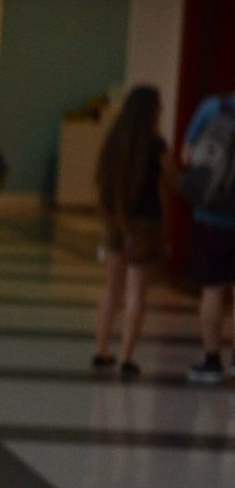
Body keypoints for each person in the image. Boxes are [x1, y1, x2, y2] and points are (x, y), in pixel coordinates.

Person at [91, 85, 170, 380]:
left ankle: (101, 350)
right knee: (136, 290)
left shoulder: (114, 140)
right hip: (145, 222)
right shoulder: (156, 144)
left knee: (112, 288)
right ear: (152, 110)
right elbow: (174, 179)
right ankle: (126, 357)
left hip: (114, 218)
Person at [180, 87, 235, 385]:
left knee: (212, 290)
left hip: (212, 216)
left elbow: (187, 155)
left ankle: (212, 361)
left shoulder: (212, 107)